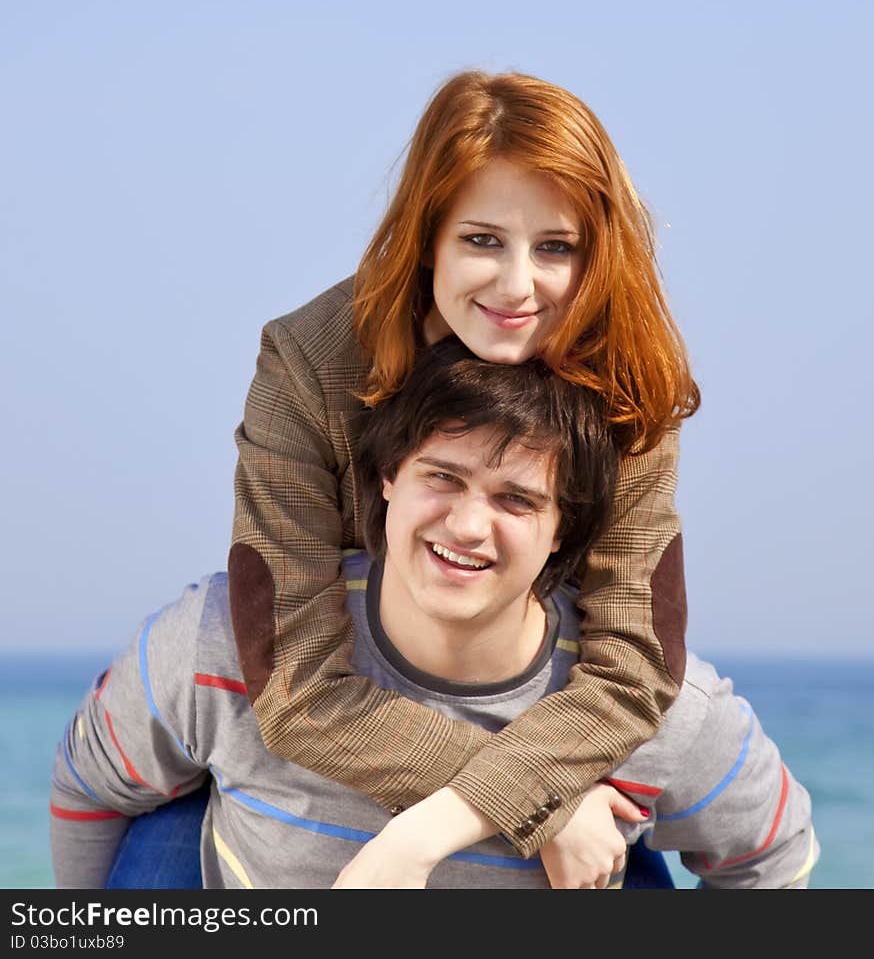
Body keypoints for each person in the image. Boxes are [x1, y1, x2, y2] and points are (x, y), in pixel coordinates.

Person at [51, 340, 817, 890]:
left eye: (517, 498)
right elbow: (90, 784)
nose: (468, 525)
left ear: (566, 529)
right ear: (387, 477)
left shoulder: (655, 711)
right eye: (441, 478)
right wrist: (545, 804)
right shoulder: (226, 647)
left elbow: (774, 851)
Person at [228, 69, 701, 869]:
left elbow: (635, 664)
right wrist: (538, 804)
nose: (517, 286)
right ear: (427, 235)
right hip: (316, 768)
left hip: (540, 730)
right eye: (482, 240)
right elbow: (294, 681)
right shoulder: (308, 363)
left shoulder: (628, 384)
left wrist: (440, 824)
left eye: (555, 247)